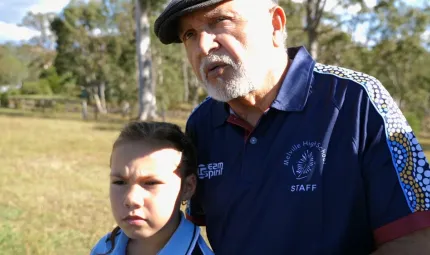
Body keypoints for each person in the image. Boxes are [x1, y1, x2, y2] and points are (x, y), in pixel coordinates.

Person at [153, 0, 430, 254]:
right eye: (189, 35)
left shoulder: (357, 99)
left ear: (275, 24)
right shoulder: (201, 123)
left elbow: (418, 237)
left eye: (220, 21)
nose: (203, 46)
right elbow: (186, 230)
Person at [90, 121, 214, 255]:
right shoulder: (104, 248)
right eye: (119, 182)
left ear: (187, 187)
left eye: (151, 183)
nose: (131, 199)